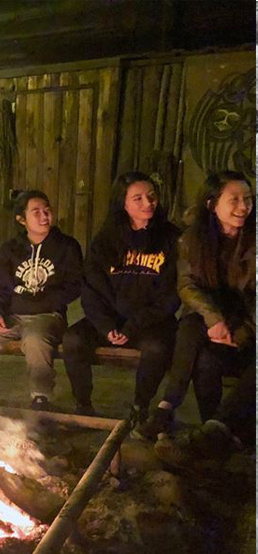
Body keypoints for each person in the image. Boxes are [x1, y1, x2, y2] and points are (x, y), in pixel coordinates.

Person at [137, 171, 255, 449]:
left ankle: (219, 428)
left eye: (248, 199)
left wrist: (246, 331)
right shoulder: (193, 239)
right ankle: (198, 423)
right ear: (211, 204)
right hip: (213, 322)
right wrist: (215, 320)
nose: (243, 207)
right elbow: (188, 285)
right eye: (234, 200)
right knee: (197, 342)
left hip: (248, 322)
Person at [63, 172, 180, 417]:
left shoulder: (171, 238)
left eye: (151, 196)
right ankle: (83, 404)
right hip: (111, 321)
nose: (148, 203)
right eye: (138, 198)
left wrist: (133, 325)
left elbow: (171, 295)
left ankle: (139, 406)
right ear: (123, 203)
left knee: (157, 348)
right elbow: (91, 289)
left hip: (150, 322)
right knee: (73, 340)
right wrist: (106, 326)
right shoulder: (106, 239)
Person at [0, 190, 83, 409]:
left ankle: (41, 397)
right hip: (13, 314)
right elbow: (0, 285)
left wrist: (44, 300)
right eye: (36, 212)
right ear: (22, 219)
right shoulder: (11, 249)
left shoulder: (66, 247)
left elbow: (74, 285)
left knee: (35, 341)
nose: (44, 216)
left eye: (47, 210)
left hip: (47, 315)